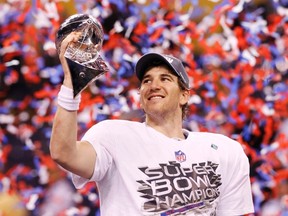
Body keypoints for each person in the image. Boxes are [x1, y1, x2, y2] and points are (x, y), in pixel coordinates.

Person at [50, 31, 255, 216]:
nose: (153, 85)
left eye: (165, 79)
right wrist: (71, 86)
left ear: (184, 95)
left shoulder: (225, 150)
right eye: (146, 81)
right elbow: (64, 153)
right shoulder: (114, 136)